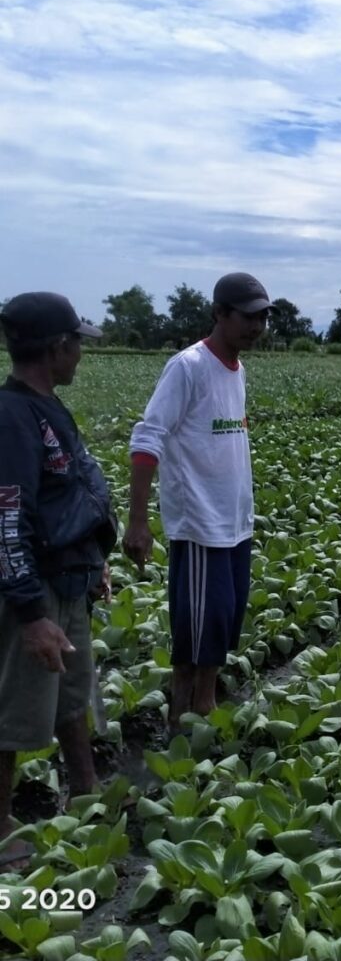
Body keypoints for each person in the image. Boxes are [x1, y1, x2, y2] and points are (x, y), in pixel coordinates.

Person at [123, 273, 272, 729]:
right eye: (248, 316)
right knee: (200, 631)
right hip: (201, 524)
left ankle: (185, 716)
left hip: (234, 522)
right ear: (219, 314)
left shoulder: (237, 368)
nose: (257, 325)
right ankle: (195, 714)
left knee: (221, 623)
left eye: (263, 317)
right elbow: (148, 438)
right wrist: (137, 521)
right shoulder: (188, 367)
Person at [0, 293, 116, 870]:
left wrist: (95, 559)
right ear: (56, 347)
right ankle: (0, 834)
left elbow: (66, 497)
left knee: (73, 698)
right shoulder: (12, 416)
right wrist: (29, 613)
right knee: (12, 714)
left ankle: (88, 791)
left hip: (69, 581)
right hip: (34, 590)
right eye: (77, 343)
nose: (81, 354)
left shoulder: (47, 406)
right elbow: (7, 515)